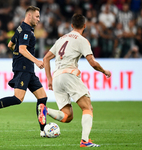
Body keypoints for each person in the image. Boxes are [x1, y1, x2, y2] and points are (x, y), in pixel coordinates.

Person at [43, 14, 111, 147]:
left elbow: (45, 59)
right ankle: (85, 141)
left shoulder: (61, 39)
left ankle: (45, 110)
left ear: (72, 25)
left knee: (67, 116)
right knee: (87, 108)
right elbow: (92, 62)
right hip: (69, 75)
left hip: (57, 77)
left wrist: (49, 80)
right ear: (85, 26)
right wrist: (104, 71)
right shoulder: (82, 40)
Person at [0, 6, 48, 137]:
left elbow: (10, 45)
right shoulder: (26, 31)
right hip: (23, 68)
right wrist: (36, 61)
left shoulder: (20, 28)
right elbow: (22, 49)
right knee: (18, 98)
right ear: (29, 16)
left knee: (42, 97)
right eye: (37, 16)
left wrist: (18, 57)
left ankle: (43, 130)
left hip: (26, 69)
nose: (39, 19)